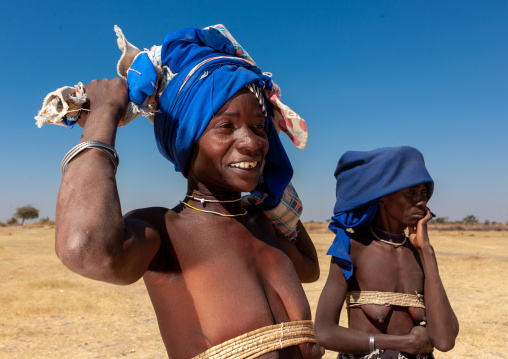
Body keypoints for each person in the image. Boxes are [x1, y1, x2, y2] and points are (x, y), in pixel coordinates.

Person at [50, 25, 324, 358]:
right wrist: (103, 115)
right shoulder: (167, 233)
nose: (253, 142)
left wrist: (275, 192)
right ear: (186, 141)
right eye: (226, 126)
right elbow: (84, 248)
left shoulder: (262, 223)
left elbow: (310, 269)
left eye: (258, 126)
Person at [314, 146, 459, 359]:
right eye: (410, 192)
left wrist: (427, 252)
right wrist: (402, 343)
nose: (422, 201)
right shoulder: (352, 249)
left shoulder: (420, 255)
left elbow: (445, 341)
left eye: (423, 192)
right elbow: (324, 332)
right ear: (382, 197)